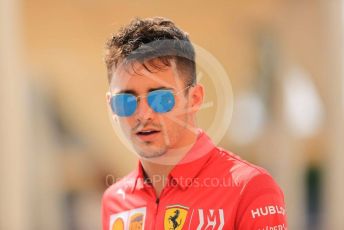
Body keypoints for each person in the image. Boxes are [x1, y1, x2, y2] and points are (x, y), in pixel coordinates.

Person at [102, 17, 287, 230]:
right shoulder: (114, 200)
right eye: (125, 101)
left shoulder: (250, 188)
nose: (144, 115)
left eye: (161, 99)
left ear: (195, 98)